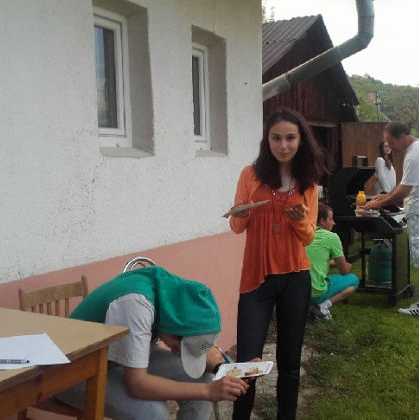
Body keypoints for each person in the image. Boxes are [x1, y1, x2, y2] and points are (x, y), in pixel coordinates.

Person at [228, 108, 325, 419]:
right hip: (256, 278)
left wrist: (298, 221)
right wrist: (241, 213)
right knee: (247, 365)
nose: (283, 145)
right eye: (276, 138)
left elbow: (308, 237)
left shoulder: (308, 182)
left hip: (296, 277)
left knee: (290, 362)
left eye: (290, 138)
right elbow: (236, 226)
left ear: (300, 140)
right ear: (267, 140)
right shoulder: (250, 174)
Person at [55, 266, 249, 420]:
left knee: (202, 377)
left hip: (116, 357)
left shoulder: (173, 298)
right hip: (74, 372)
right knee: (153, 412)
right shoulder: (136, 304)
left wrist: (227, 370)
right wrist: (208, 392)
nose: (176, 353)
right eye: (179, 347)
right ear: (175, 329)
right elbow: (136, 385)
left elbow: (192, 342)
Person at [361, 122, 419, 317]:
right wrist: (384, 197)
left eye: (391, 142)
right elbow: (405, 185)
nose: (390, 146)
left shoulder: (414, 154)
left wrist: (379, 203)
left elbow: (405, 190)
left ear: (402, 136)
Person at [305, 203, 359, 321]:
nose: (334, 223)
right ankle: (323, 307)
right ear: (321, 221)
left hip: (294, 292)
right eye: (331, 219)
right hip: (314, 293)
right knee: (353, 280)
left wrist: (329, 263)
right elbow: (344, 271)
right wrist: (348, 266)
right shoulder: (331, 237)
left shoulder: (301, 233)